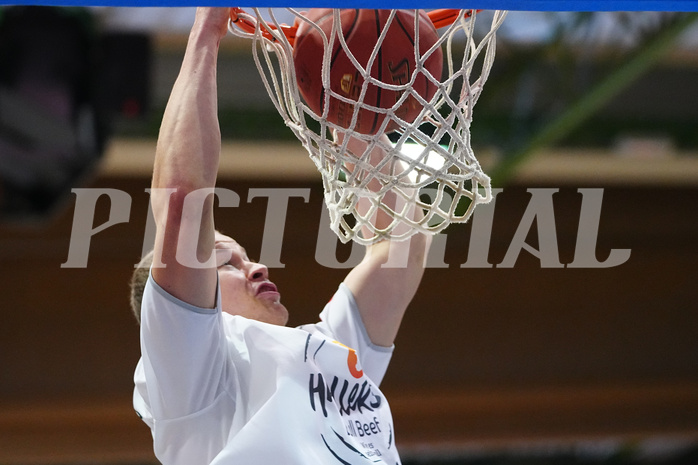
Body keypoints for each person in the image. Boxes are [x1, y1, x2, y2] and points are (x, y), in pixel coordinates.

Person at [129, 7, 431, 465]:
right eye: (226, 262)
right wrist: (207, 30)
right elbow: (182, 203)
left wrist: (354, 115)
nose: (256, 266)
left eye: (244, 257)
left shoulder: (325, 352)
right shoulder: (192, 376)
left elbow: (401, 249)